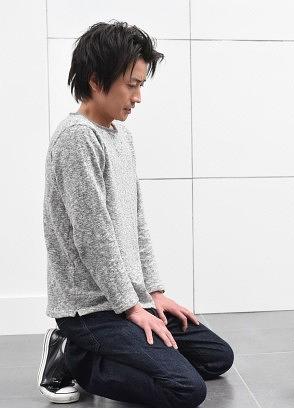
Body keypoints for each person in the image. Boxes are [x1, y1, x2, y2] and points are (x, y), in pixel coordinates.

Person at [38, 22, 233, 407]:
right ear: (96, 81)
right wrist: (131, 308)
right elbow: (93, 238)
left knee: (217, 357)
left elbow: (136, 222)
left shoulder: (121, 136)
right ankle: (74, 355)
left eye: (141, 85)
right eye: (131, 85)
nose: (138, 97)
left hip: (126, 297)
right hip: (90, 309)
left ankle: (118, 347)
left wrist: (154, 294)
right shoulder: (77, 139)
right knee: (186, 389)